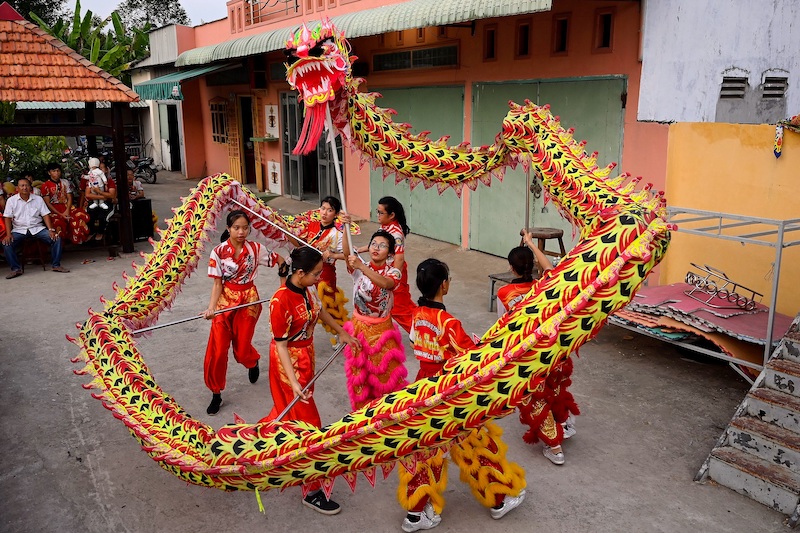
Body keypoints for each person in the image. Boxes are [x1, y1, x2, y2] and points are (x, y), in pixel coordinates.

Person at [398, 258, 526, 532]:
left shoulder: (417, 315)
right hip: (450, 395)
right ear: (444, 285)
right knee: (476, 443)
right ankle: (499, 500)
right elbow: (471, 358)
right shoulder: (448, 322)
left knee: (425, 449)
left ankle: (415, 513)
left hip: (422, 388)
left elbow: (414, 342)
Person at [262, 246, 359, 515]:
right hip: (287, 365)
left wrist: (341, 331)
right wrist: (293, 382)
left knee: (286, 417)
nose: (319, 277)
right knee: (310, 426)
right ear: (300, 273)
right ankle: (312, 490)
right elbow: (281, 346)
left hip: (305, 358)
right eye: (315, 273)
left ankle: (254, 448)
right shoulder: (280, 301)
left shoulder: (308, 289)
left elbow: (319, 312)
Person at [202, 210, 285, 416]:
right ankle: (216, 393)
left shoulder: (257, 249)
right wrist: (212, 308)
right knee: (218, 349)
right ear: (228, 229)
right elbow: (217, 283)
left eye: (245, 228)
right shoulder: (218, 252)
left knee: (240, 349)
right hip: (224, 303)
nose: (241, 232)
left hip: (248, 301)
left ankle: (252, 360)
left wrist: (283, 289)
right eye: (236, 228)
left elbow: (282, 261)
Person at [509, 230, 579, 466]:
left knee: (535, 401)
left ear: (511, 269)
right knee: (557, 390)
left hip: (530, 357)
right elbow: (550, 267)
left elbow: (507, 328)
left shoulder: (505, 293)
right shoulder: (545, 286)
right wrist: (531, 243)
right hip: (556, 350)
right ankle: (564, 424)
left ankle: (555, 447)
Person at [342, 229, 408, 410]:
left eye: (382, 245)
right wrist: (343, 228)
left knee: (385, 378)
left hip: (382, 332)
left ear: (391, 253)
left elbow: (387, 284)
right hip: (359, 329)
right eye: (373, 244)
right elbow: (347, 253)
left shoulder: (394, 272)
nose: (376, 248)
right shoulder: (357, 268)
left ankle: (386, 414)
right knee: (360, 378)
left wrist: (362, 267)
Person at [285, 196, 351, 336]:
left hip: (325, 274)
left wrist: (332, 255)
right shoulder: (311, 225)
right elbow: (299, 243)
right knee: (304, 300)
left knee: (328, 304)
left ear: (336, 214)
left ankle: (340, 333)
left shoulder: (337, 234)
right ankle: (304, 329)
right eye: (323, 208)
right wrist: (285, 231)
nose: (324, 213)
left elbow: (347, 254)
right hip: (306, 272)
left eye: (330, 210)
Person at [357, 196, 416, 332]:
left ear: (392, 215)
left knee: (399, 309)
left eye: (380, 212)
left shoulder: (396, 233)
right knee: (399, 305)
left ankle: (420, 336)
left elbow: (399, 258)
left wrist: (394, 278)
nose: (377, 215)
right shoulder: (386, 226)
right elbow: (378, 242)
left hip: (395, 271)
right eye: (377, 211)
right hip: (385, 270)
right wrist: (360, 249)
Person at [2, 176, 70, 278]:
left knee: (56, 238)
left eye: (26, 185)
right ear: (18, 188)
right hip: (19, 230)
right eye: (22, 186)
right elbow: (7, 218)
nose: (24, 188)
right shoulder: (11, 201)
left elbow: (45, 215)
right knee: (6, 243)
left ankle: (56, 265)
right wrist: (8, 234)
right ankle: (16, 269)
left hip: (37, 228)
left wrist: (51, 230)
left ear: (30, 187)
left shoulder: (38, 199)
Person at [39, 162, 90, 244]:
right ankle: (59, 244)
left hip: (67, 206)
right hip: (53, 209)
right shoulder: (45, 185)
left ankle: (78, 240)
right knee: (58, 223)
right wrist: (60, 213)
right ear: (49, 173)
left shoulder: (65, 182)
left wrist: (67, 210)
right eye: (53, 171)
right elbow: (47, 203)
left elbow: (69, 197)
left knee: (79, 216)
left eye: (58, 171)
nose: (56, 173)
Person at [83, 162, 117, 241]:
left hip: (107, 203)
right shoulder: (90, 181)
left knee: (103, 216)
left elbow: (112, 195)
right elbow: (88, 195)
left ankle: (101, 232)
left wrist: (99, 191)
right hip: (94, 203)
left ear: (105, 170)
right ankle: (91, 232)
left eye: (101, 168)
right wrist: (103, 196)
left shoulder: (109, 181)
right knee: (89, 214)